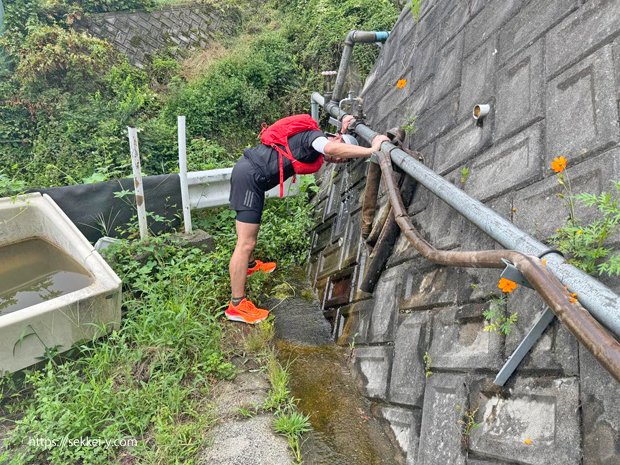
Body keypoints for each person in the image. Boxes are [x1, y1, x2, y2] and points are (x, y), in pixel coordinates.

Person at [226, 114, 389, 324]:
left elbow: (333, 145)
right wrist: (371, 150)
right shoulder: (315, 138)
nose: (338, 161)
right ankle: (237, 305)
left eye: (342, 161)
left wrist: (345, 127)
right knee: (246, 242)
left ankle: (249, 265)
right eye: (342, 157)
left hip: (251, 174)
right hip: (250, 178)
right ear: (336, 140)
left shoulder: (314, 139)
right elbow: (330, 148)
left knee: (248, 240)